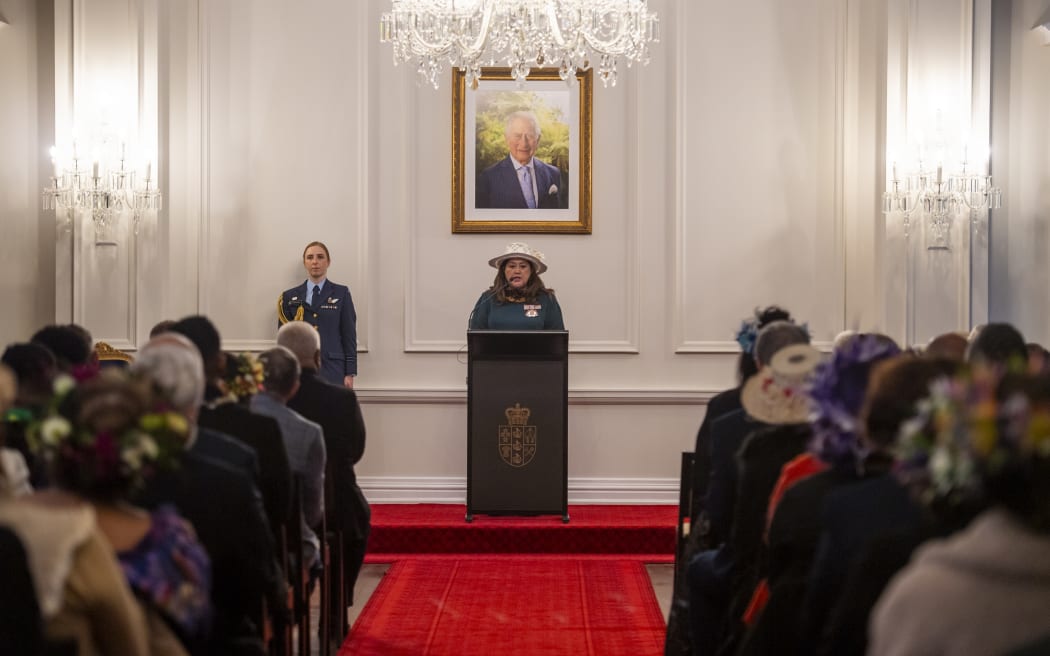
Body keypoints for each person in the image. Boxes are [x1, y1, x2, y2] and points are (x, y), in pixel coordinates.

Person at [279, 320, 369, 641]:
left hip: (278, 508)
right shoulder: (341, 400)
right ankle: (335, 606)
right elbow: (355, 450)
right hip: (334, 506)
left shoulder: (268, 402)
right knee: (357, 521)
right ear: (318, 358)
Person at [278, 241, 358, 388]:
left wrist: (350, 372)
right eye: (310, 257)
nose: (315, 262)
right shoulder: (289, 297)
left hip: (333, 369)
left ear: (328, 262)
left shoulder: (341, 293)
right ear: (304, 263)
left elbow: (349, 335)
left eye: (320, 257)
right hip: (299, 370)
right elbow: (284, 339)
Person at [476, 111, 562, 210]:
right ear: (507, 139)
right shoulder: (488, 178)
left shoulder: (553, 173)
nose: (524, 143)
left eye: (529, 136)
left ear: (538, 139)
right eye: (517, 136)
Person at [469, 242, 564, 330]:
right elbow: (476, 339)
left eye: (523, 266)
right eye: (512, 266)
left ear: (531, 272)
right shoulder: (488, 298)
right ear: (503, 271)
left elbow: (557, 340)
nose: (517, 271)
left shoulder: (547, 299)